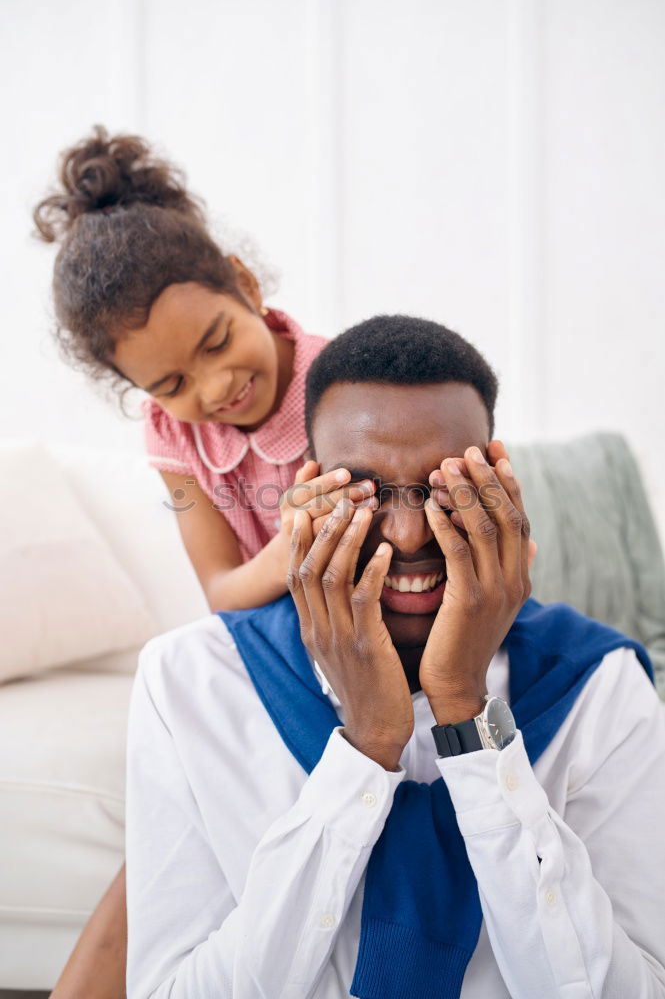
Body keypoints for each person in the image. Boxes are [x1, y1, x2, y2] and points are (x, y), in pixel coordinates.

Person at [125, 315, 665, 998]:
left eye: (443, 488)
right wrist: (367, 746)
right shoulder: (188, 684)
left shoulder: (599, 684)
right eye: (367, 489)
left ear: (495, 485)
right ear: (310, 489)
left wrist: (464, 710)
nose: (408, 533)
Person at [33, 127, 395, 998]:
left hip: (380, 648)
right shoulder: (174, 437)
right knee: (172, 817)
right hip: (272, 647)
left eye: (215, 342)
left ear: (244, 282)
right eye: (168, 385)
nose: (210, 390)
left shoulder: (347, 385)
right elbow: (224, 592)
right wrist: (295, 542)